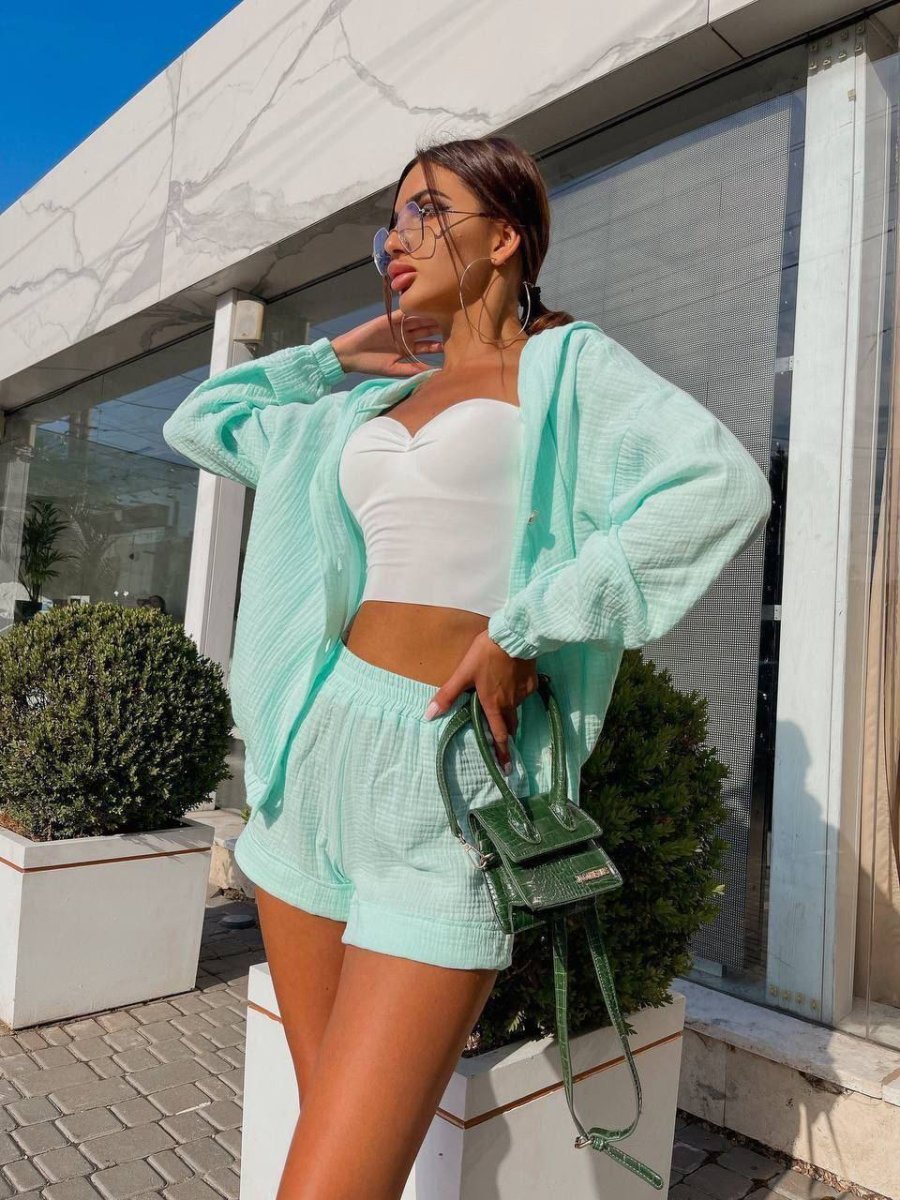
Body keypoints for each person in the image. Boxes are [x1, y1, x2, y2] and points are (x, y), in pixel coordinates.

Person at [162, 134, 771, 1199]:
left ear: (505, 237)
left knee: (333, 1183)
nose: (397, 238)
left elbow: (716, 486)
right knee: (336, 1149)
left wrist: (530, 624)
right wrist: (335, 357)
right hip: (313, 763)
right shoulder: (363, 406)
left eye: (427, 210)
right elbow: (202, 423)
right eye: (391, 221)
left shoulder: (568, 369)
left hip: (448, 776)